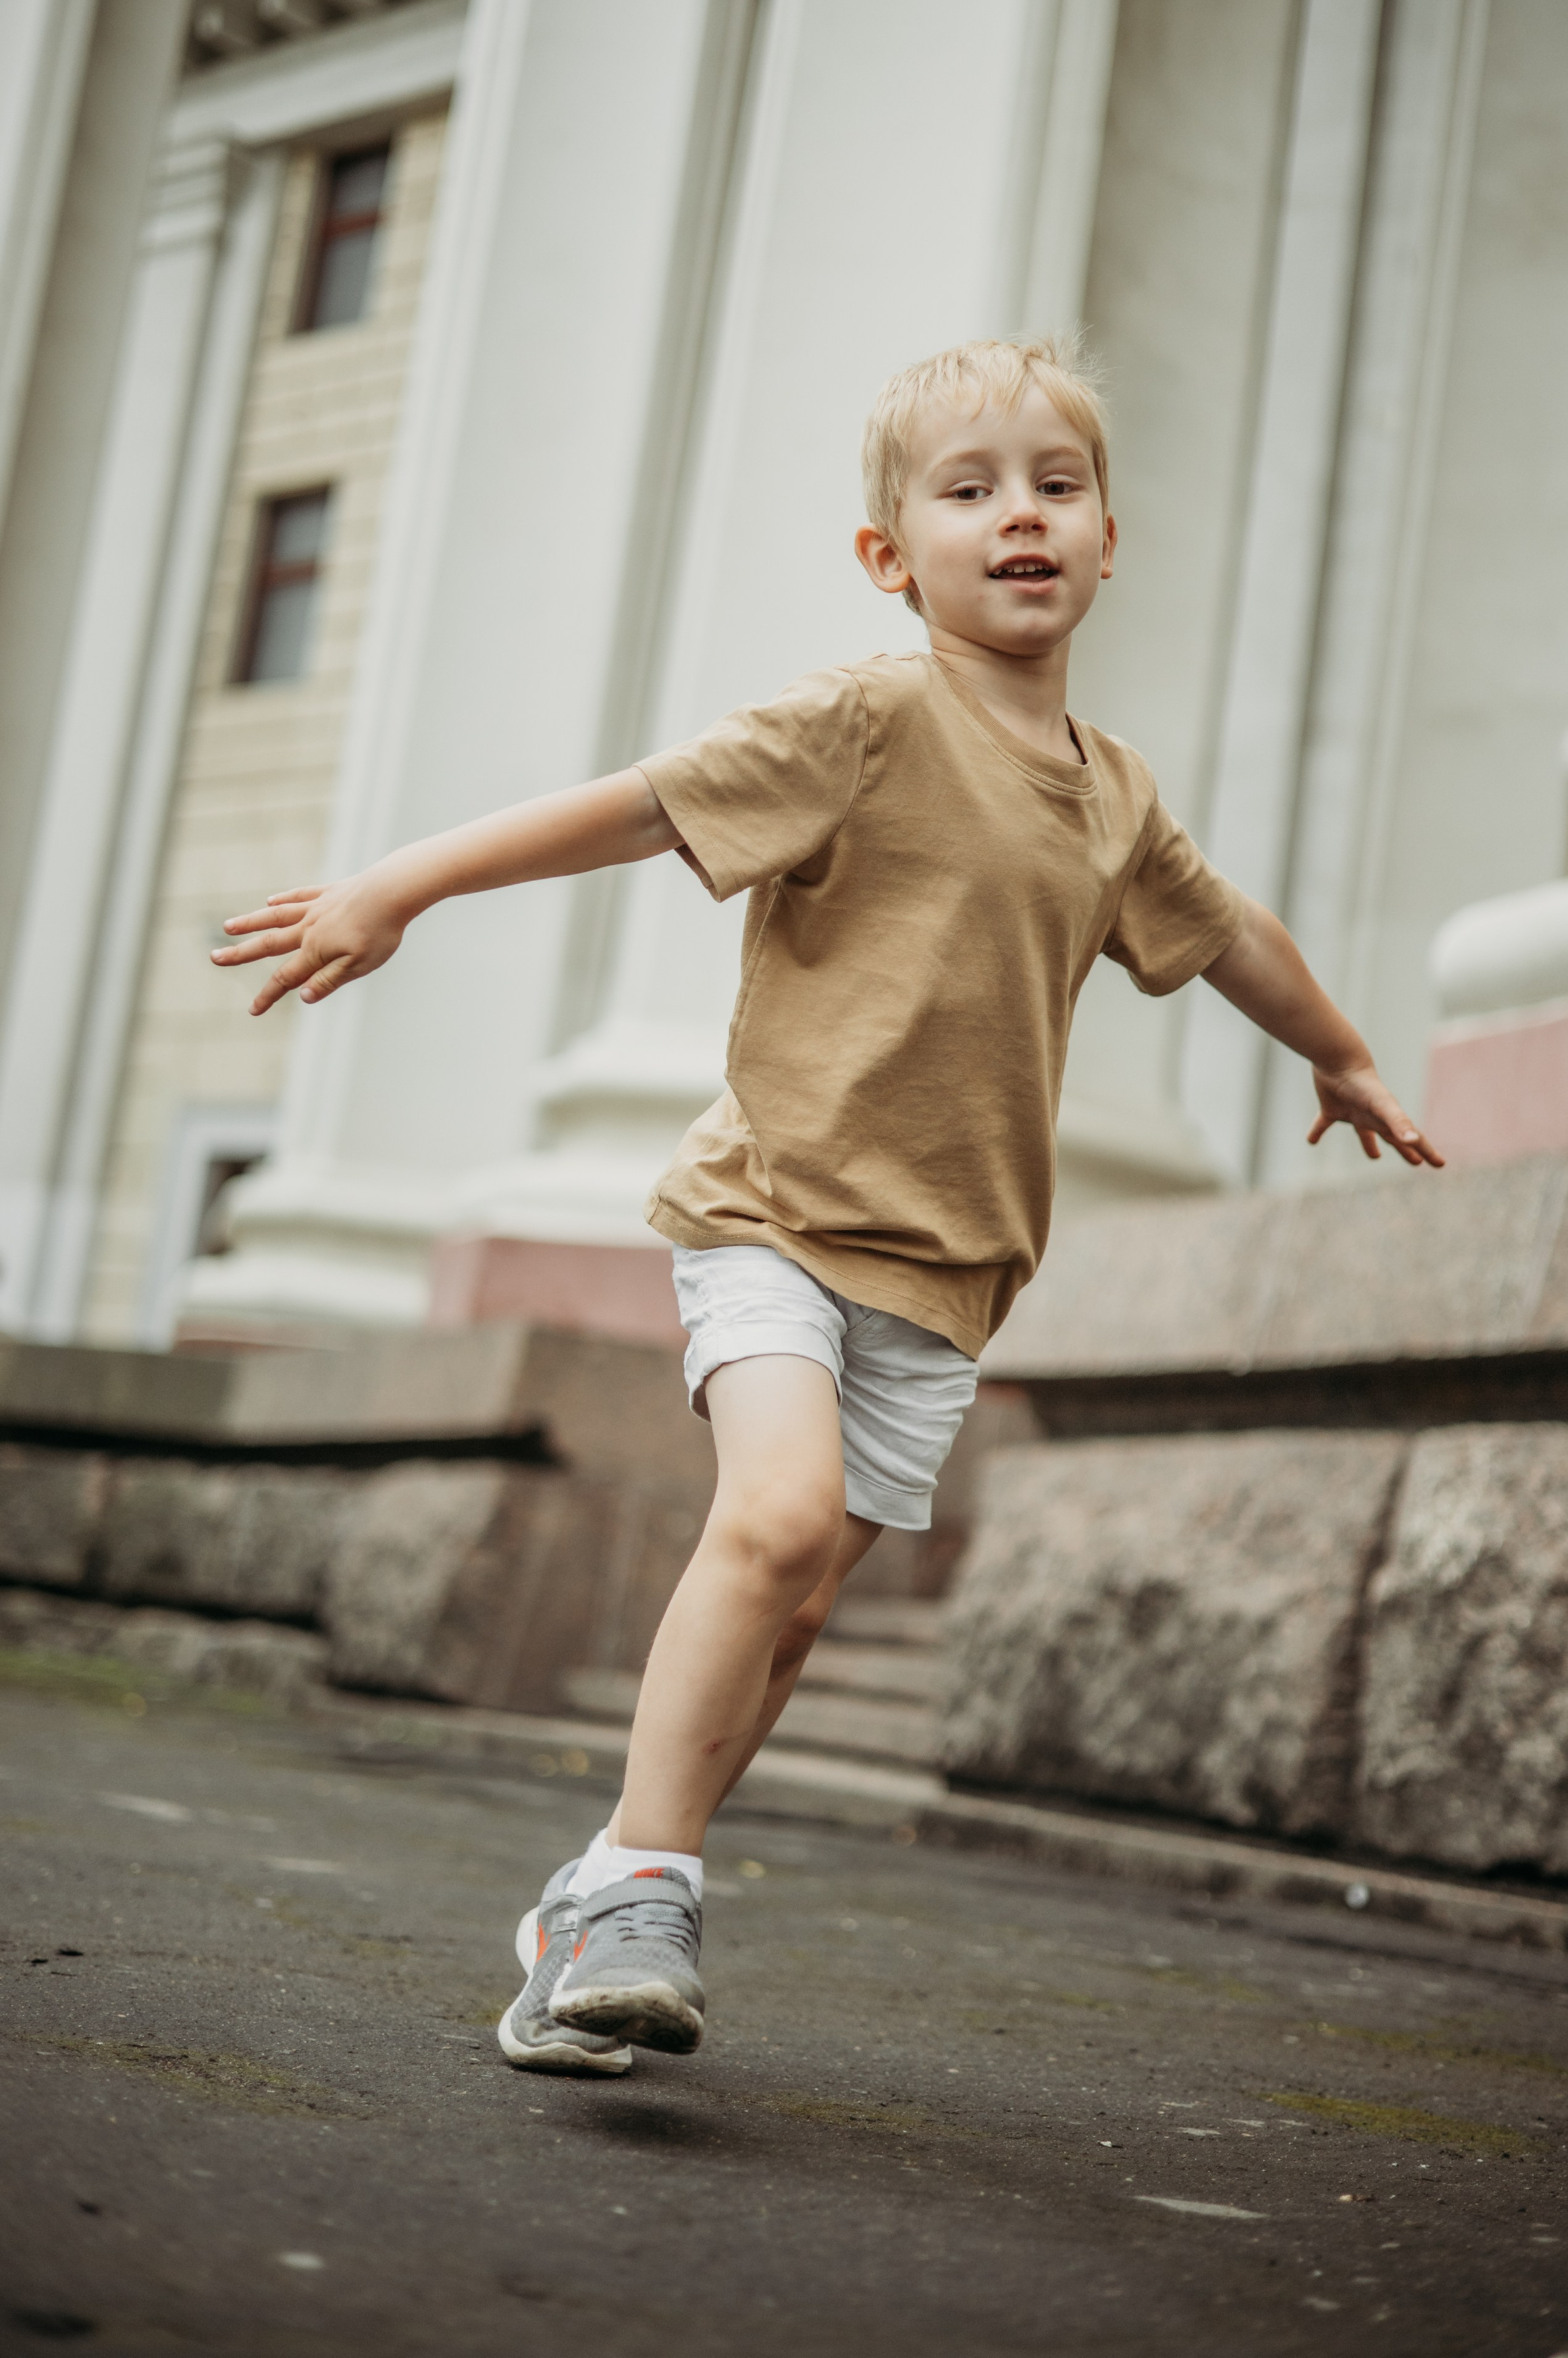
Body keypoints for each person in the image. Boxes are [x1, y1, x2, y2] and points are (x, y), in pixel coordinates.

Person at [213, 335, 1444, 2079]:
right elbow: (639, 809)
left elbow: (1231, 933)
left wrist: (1342, 1055)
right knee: (775, 1522)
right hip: (777, 1217)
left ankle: (584, 1907)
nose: (1019, 515)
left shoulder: (1113, 800)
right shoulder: (866, 721)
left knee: (787, 1623)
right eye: (969, 490)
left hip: (950, 1281)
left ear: (1109, 539)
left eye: (1056, 485)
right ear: (893, 556)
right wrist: (399, 884)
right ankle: (648, 1874)